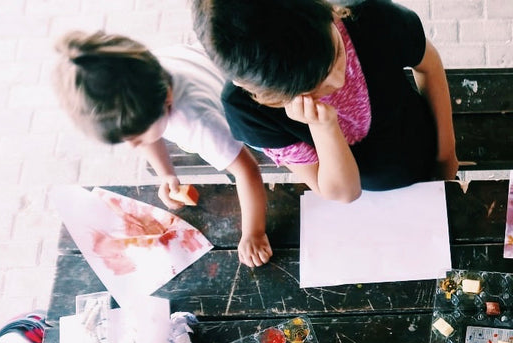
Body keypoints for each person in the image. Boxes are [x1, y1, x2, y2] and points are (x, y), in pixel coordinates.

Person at [192, 0, 458, 202]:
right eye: (311, 89)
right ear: (258, 92)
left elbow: (429, 65)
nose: (338, 81)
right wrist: (324, 127)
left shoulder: (372, 16)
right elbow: (345, 193)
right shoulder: (247, 109)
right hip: (366, 193)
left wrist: (446, 157)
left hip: (420, 143)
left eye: (337, 53)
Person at [52, 31, 273, 268]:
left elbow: (247, 170)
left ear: (167, 101)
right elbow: (149, 135)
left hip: (250, 97)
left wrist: (254, 233)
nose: (133, 145)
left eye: (136, 136)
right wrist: (166, 173)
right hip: (217, 59)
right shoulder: (144, 74)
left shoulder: (197, 123)